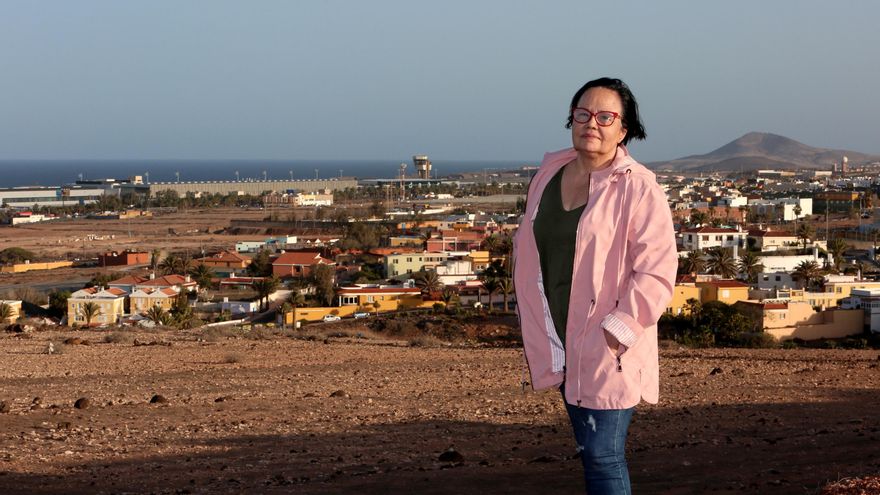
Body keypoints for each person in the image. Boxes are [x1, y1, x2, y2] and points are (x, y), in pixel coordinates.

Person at [513, 77, 677, 494]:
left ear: (624, 129)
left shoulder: (637, 187)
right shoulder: (548, 175)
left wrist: (618, 329)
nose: (593, 123)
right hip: (559, 336)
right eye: (583, 114)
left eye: (606, 116)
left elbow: (658, 271)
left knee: (603, 456)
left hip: (608, 345)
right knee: (590, 450)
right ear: (570, 119)